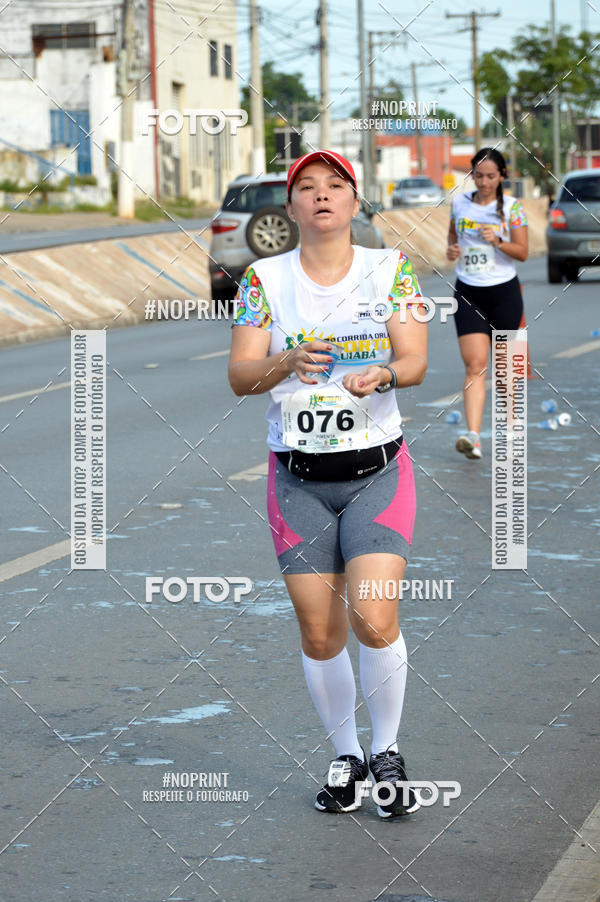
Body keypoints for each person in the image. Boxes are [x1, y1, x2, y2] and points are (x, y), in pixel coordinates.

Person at [228, 150, 427, 818]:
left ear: (353, 201)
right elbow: (239, 377)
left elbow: (417, 358)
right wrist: (284, 360)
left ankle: (389, 750)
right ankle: (345, 754)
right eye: (306, 188)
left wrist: (384, 376)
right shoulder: (262, 280)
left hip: (377, 472)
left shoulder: (389, 270)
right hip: (299, 480)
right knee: (320, 635)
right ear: (290, 210)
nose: (321, 196)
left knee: (374, 617)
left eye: (334, 185)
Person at [446, 148, 529, 459]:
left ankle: (511, 428)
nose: (483, 182)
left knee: (506, 367)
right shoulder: (459, 203)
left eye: (490, 176)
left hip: (505, 291)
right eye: (478, 175)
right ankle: (474, 436)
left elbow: (522, 251)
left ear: (502, 176)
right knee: (475, 366)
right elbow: (452, 240)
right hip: (469, 291)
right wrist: (452, 251)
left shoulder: (512, 208)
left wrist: (497, 241)